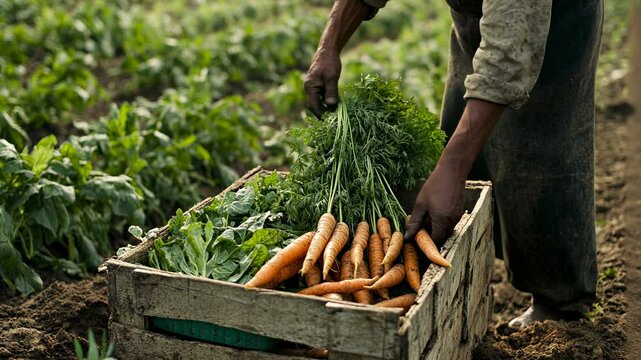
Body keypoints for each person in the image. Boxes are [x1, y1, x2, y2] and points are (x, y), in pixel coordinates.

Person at [304, 0, 603, 328]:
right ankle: (466, 271)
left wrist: (452, 169)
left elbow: (506, 57)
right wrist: (329, 45)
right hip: (473, 17)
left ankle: (558, 304)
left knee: (537, 160)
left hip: (551, 25)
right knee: (458, 148)